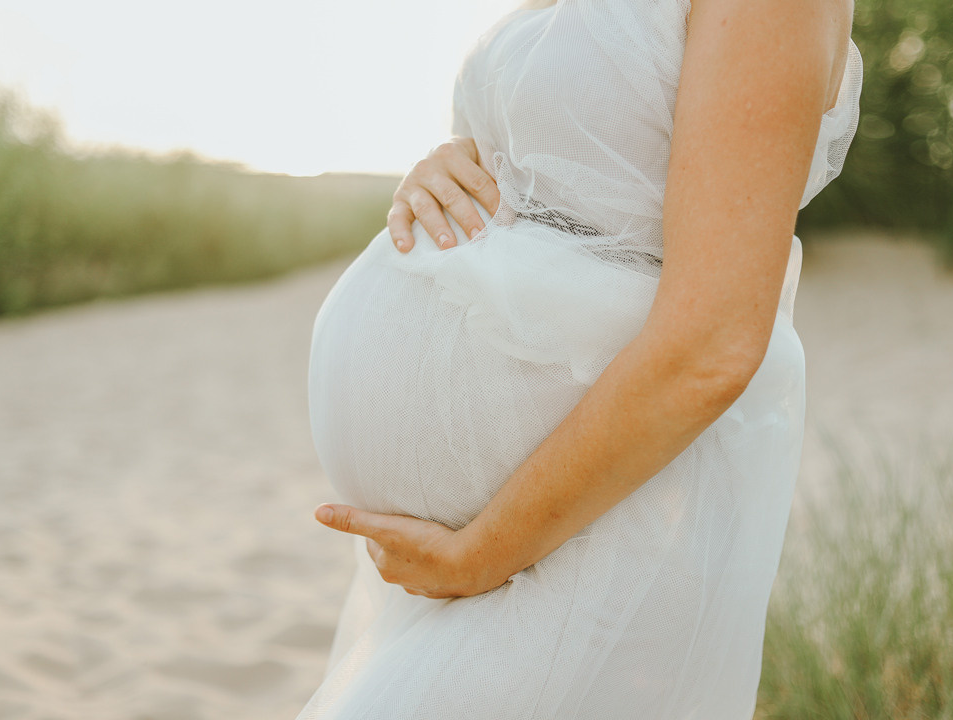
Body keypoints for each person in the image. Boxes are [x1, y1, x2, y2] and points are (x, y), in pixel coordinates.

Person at [299, 0, 862, 716]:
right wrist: (446, 168)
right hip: (497, 550)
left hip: (578, 532)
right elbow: (553, 164)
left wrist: (480, 555)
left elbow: (714, 343)